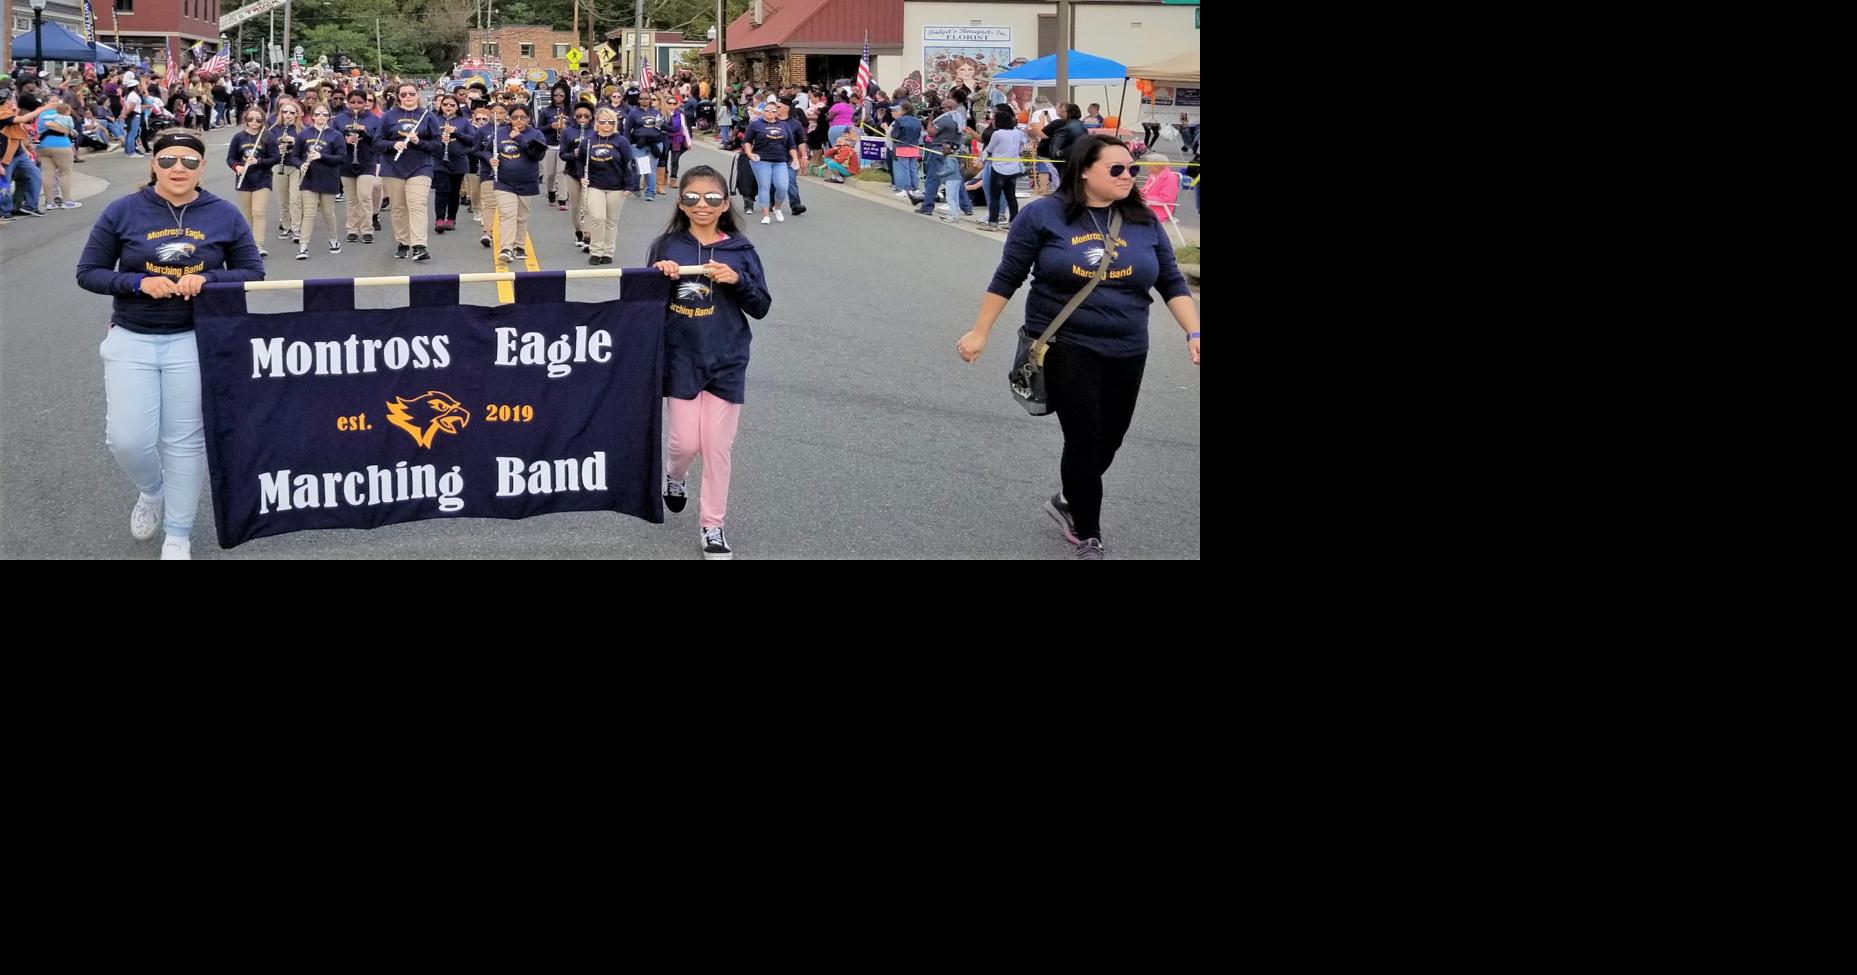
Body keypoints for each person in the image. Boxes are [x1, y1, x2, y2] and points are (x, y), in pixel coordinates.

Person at [955, 136, 1200, 560]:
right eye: (1117, 169)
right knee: (1084, 439)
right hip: (1066, 344)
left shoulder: (1142, 219)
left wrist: (1194, 332)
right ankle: (1088, 532)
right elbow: (1008, 276)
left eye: (1133, 169)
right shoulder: (1042, 216)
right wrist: (980, 331)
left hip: (1128, 346)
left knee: (1111, 438)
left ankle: (1070, 495)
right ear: (1084, 170)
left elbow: (1171, 282)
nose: (1129, 177)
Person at [75, 129, 266, 560]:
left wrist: (210, 279)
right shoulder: (123, 210)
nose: (177, 168)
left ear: (202, 166)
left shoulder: (223, 214)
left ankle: (177, 534)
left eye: (188, 161)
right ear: (152, 164)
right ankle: (152, 490)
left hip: (196, 341)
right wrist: (139, 282)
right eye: (167, 160)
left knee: (184, 440)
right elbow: (89, 272)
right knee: (125, 439)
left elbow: (253, 273)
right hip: (131, 337)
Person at [646, 165, 772, 560]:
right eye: (693, 198)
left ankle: (713, 525)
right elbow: (644, 304)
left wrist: (737, 280)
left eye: (713, 198)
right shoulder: (667, 246)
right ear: (681, 203)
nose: (703, 205)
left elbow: (762, 306)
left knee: (717, 446)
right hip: (680, 357)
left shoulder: (741, 250)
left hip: (727, 358)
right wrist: (657, 277)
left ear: (725, 204)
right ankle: (674, 476)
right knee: (685, 443)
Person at [374, 81, 441, 261]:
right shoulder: (389, 116)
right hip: (393, 167)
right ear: (398, 97)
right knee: (398, 208)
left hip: (420, 166)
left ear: (417, 94)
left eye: (411, 93)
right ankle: (403, 242)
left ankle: (419, 245)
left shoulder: (427, 116)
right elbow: (377, 142)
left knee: (417, 205)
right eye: (403, 94)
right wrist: (392, 144)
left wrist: (419, 142)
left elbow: (437, 144)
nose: (408, 97)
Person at [488, 103, 547, 266]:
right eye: (515, 117)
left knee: (521, 217)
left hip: (527, 181)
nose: (518, 120)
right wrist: (490, 159)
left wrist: (519, 138)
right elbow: (485, 150)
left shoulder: (537, 134)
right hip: (504, 181)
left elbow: (537, 156)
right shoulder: (500, 133)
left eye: (522, 117)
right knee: (507, 215)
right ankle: (506, 248)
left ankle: (519, 245)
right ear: (509, 118)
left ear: (529, 118)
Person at [579, 107, 633, 265]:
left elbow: (628, 164)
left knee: (611, 221)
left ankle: (608, 252)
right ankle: (596, 251)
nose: (606, 124)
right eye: (603, 121)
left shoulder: (621, 141)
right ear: (597, 123)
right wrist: (582, 176)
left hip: (617, 187)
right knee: (597, 218)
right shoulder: (588, 141)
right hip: (595, 185)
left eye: (610, 122)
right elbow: (580, 161)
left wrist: (629, 185)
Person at [293, 104, 347, 259]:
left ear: (328, 117)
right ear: (312, 116)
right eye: (318, 114)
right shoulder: (304, 134)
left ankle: (333, 240)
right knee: (309, 213)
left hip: (329, 178)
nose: (321, 116)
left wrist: (322, 156)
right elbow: (295, 156)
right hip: (309, 179)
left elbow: (342, 158)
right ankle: (303, 246)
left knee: (328, 213)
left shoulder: (335, 135)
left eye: (325, 114)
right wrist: (300, 164)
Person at [916, 97, 974, 223]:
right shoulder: (960, 119)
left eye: (942, 107)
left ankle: (927, 206)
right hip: (954, 150)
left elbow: (931, 132)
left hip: (940, 149)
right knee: (956, 179)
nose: (940, 110)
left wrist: (930, 120)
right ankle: (966, 207)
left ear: (948, 108)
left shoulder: (946, 119)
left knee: (932, 178)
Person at [226, 109, 275, 257]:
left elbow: (275, 158)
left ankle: (258, 245)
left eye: (258, 120)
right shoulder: (238, 137)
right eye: (251, 119)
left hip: (263, 178)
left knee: (258, 212)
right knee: (248, 214)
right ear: (246, 119)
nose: (254, 122)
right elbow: (230, 158)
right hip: (245, 179)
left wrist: (259, 161)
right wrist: (237, 166)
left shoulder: (267, 136)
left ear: (263, 121)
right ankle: (249, 244)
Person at [332, 89, 378, 244]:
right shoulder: (339, 119)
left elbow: (378, 141)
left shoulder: (374, 119)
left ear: (365, 103)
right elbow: (333, 139)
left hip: (367, 161)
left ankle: (367, 229)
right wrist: (345, 140)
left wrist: (365, 132)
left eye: (360, 102)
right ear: (348, 102)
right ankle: (352, 229)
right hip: (346, 161)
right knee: (351, 198)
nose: (356, 105)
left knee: (364, 196)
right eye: (353, 102)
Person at [741, 100, 793, 225]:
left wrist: (797, 158)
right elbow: (747, 140)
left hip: (780, 160)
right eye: (767, 110)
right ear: (763, 111)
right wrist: (749, 153)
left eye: (773, 111)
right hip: (761, 159)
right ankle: (765, 215)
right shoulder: (755, 124)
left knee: (782, 187)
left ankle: (777, 207)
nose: (770, 112)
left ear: (777, 113)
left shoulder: (784, 125)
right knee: (764, 186)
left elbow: (791, 144)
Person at [430, 94, 475, 234]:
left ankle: (451, 218)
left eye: (452, 105)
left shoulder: (464, 121)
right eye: (445, 104)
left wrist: (457, 134)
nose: (448, 107)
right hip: (439, 160)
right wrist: (439, 137)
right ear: (441, 106)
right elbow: (427, 137)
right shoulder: (434, 119)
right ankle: (439, 219)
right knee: (442, 190)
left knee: (454, 192)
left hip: (458, 161)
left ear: (457, 107)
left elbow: (472, 140)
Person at [264, 99, 305, 242]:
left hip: (296, 167)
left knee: (295, 199)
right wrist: (277, 148)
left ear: (296, 114)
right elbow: (266, 149)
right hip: (279, 166)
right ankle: (286, 226)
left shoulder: (302, 130)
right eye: (285, 112)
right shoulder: (273, 130)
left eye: (291, 112)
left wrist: (294, 143)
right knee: (283, 199)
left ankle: (296, 229)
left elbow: (306, 151)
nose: (288, 115)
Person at [981, 103, 1027, 230]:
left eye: (994, 119)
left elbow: (989, 149)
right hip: (1013, 168)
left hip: (999, 168)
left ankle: (993, 223)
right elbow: (1023, 145)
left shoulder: (998, 134)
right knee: (1011, 196)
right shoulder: (1017, 133)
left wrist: (981, 159)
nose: (993, 121)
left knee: (994, 196)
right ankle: (1013, 222)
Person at [559, 103, 596, 248]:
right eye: (579, 116)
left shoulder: (595, 131)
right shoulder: (568, 132)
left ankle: (589, 234)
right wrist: (574, 154)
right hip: (573, 172)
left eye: (586, 116)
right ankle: (578, 231)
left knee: (588, 205)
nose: (582, 119)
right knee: (575, 206)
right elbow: (562, 154)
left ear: (591, 117)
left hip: (591, 173)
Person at [34, 96, 78, 210]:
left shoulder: (40, 115)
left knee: (47, 174)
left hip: (43, 146)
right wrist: (68, 131)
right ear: (46, 102)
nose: (56, 103)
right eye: (52, 101)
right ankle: (66, 201)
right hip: (61, 145)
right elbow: (51, 125)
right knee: (65, 173)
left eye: (57, 101)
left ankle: (50, 202)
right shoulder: (60, 115)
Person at [623, 87, 666, 201]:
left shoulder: (656, 113)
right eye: (641, 98)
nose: (644, 100)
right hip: (638, 145)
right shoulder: (633, 113)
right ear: (638, 100)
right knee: (638, 168)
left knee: (650, 169)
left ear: (650, 100)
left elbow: (663, 128)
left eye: (647, 98)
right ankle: (636, 186)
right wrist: (625, 145)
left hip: (655, 144)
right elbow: (627, 130)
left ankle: (650, 193)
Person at [538, 83, 571, 207]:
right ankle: (551, 191)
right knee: (550, 173)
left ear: (566, 96)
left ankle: (562, 198)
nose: (558, 97)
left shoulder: (571, 110)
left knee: (561, 172)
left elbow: (576, 126)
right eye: (555, 95)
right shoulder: (546, 111)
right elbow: (538, 128)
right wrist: (550, 126)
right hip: (550, 145)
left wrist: (566, 128)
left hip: (564, 145)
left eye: (561, 95)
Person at [888, 101, 923, 198]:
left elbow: (894, 135)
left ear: (904, 110)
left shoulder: (900, 120)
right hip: (914, 145)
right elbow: (919, 133)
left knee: (905, 168)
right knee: (913, 168)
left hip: (902, 145)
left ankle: (907, 189)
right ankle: (915, 188)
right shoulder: (917, 120)